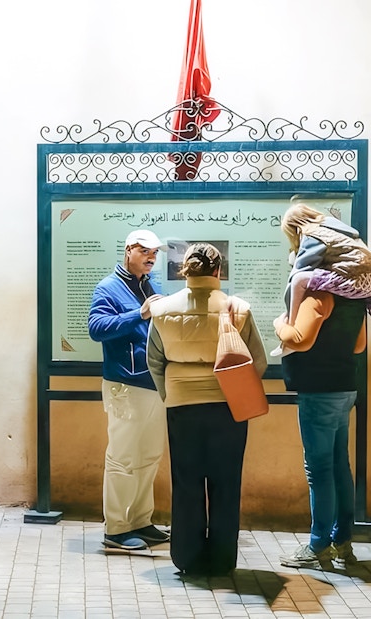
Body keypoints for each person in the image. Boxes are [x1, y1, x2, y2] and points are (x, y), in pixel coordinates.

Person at [147, 243, 267, 576]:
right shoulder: (237, 309)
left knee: (186, 483)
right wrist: (234, 391)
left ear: (185, 270)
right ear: (218, 271)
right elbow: (257, 361)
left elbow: (154, 360)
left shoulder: (162, 310)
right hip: (228, 408)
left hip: (182, 408)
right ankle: (221, 559)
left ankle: (187, 558)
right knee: (226, 483)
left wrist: (170, 394)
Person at [273, 216, 367, 569]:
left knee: (319, 470)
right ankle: (343, 543)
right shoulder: (352, 296)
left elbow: (300, 339)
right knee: (339, 466)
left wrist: (278, 323)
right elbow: (359, 346)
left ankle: (317, 546)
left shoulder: (318, 293)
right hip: (344, 387)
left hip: (319, 390)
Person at [88, 229, 170, 551]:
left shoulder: (152, 286)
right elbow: (96, 329)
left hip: (153, 383)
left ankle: (140, 520)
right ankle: (116, 529)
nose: (152, 257)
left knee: (149, 456)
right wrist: (139, 313)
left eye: (155, 253)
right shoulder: (108, 287)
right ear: (128, 251)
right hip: (125, 384)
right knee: (122, 457)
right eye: (145, 251)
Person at [271, 203, 371, 357]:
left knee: (299, 279)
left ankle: (291, 322)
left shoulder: (312, 233)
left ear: (296, 228)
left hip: (350, 281)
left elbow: (300, 269)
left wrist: (284, 322)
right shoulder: (340, 230)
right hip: (365, 285)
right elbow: (358, 347)